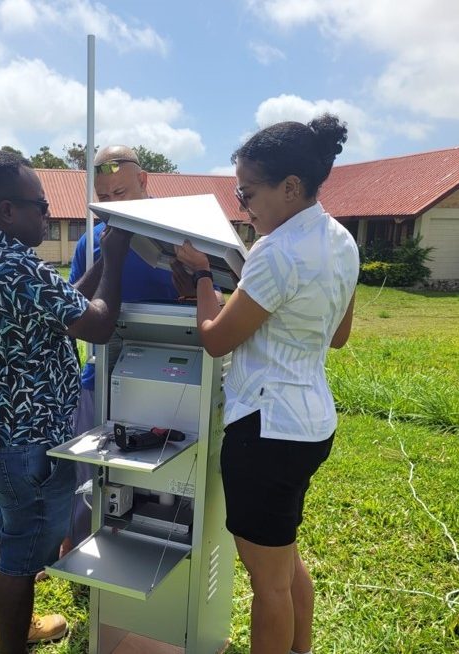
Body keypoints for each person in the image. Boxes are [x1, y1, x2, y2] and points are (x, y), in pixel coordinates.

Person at [174, 114, 359, 654]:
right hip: (312, 423)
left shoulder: (275, 253)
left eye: (248, 193)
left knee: (268, 584)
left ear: (291, 187)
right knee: (283, 557)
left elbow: (215, 338)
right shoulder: (342, 240)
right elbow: (339, 335)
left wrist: (206, 277)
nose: (243, 206)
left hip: (265, 429)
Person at [0, 150, 131, 654]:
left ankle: (10, 630)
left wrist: (98, 264)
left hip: (0, 433)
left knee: (13, 534)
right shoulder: (14, 264)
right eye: (41, 207)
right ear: (7, 211)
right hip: (26, 441)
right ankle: (8, 646)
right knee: (22, 553)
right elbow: (96, 323)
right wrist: (116, 259)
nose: (48, 216)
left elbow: (66, 303)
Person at [65, 145, 218, 549]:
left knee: (164, 475)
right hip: (102, 375)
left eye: (122, 193)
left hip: (170, 379)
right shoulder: (93, 242)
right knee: (90, 474)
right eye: (106, 197)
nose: (114, 203)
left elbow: (213, 301)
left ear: (144, 181)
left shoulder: (182, 236)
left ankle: (162, 548)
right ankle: (79, 546)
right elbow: (73, 310)